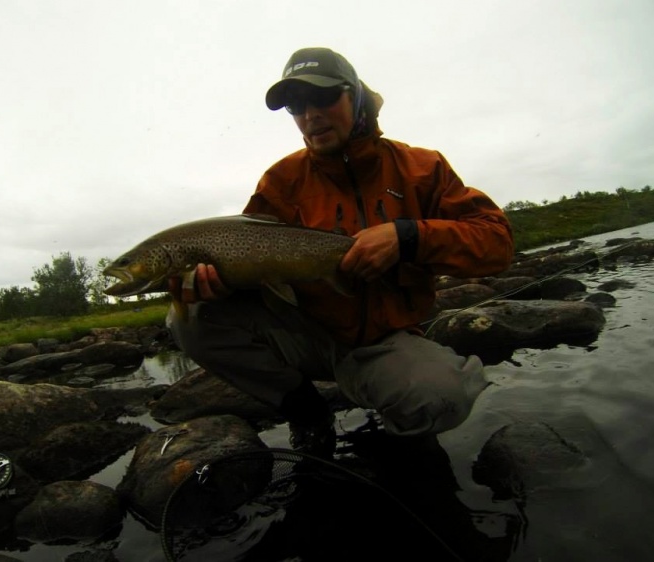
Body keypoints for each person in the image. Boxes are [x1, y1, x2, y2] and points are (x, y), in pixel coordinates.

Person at [168, 47, 513, 457]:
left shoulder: (421, 168)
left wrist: (407, 237)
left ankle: (401, 435)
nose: (310, 114)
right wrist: (213, 285)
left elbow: (497, 243)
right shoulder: (281, 181)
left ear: (356, 97)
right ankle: (306, 410)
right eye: (296, 105)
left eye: (324, 98)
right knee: (189, 319)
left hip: (384, 344)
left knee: (442, 398)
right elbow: (250, 261)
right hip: (304, 335)